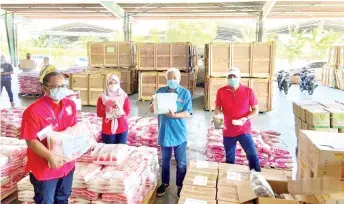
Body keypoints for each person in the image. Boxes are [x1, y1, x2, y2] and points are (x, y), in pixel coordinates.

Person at [21, 71, 77, 204]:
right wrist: (51, 157)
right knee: (46, 200)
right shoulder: (33, 111)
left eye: (64, 86)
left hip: (67, 163)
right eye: (57, 87)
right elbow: (31, 140)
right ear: (45, 88)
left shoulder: (70, 105)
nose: (61, 90)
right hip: (45, 166)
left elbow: (74, 130)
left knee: (63, 197)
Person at [149, 68, 193, 198]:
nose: (172, 80)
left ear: (179, 79)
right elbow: (152, 109)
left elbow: (188, 113)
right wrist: (154, 103)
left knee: (181, 162)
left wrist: (175, 115)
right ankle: (165, 183)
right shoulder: (160, 92)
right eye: (170, 78)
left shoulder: (185, 93)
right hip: (165, 132)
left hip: (179, 133)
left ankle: (180, 185)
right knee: (165, 160)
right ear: (166, 80)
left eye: (175, 78)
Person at [214, 67, 261, 172]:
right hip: (228, 131)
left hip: (244, 129)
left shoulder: (248, 91)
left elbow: (255, 110)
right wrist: (218, 123)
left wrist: (245, 118)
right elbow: (217, 109)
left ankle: (257, 177)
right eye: (229, 76)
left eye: (234, 76)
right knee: (230, 159)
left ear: (239, 77)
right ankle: (230, 181)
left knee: (252, 155)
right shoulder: (221, 91)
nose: (232, 78)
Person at [97, 74, 131, 144]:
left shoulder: (123, 96)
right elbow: (99, 113)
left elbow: (127, 111)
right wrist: (106, 107)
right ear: (107, 84)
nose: (113, 85)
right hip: (108, 128)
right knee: (109, 150)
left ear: (118, 84)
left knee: (121, 149)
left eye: (115, 83)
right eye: (110, 83)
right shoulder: (102, 97)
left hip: (122, 127)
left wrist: (118, 110)